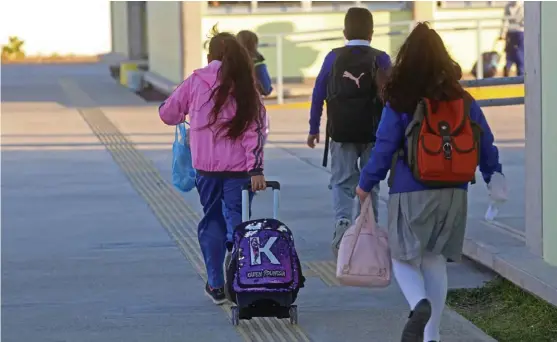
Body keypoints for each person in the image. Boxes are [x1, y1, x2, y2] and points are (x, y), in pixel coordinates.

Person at [356, 22, 502, 342]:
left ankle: (417, 303)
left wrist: (366, 183)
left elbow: (384, 146)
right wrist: (493, 175)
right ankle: (432, 336)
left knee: (401, 255)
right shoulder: (462, 98)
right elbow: (485, 142)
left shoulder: (401, 99)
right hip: (455, 191)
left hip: (412, 189)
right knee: (435, 259)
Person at [159, 31, 268, 305]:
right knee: (238, 219)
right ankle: (240, 271)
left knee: (212, 220)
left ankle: (216, 284)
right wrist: (256, 170)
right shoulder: (245, 87)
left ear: (210, 57)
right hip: (241, 172)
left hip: (206, 171)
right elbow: (255, 131)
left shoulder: (196, 80)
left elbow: (168, 113)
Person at [306, 7, 391, 256]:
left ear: (345, 32)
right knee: (370, 182)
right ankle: (369, 229)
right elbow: (393, 96)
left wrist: (314, 127)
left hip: (341, 132)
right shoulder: (381, 58)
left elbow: (318, 92)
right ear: (372, 33)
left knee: (342, 182)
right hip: (373, 133)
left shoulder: (333, 57)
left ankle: (342, 224)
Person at [237, 30, 273, 97]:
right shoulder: (258, 65)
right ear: (254, 44)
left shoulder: (231, 63)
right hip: (253, 104)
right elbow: (266, 88)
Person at [499, 1, 524, 77]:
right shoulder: (523, 5)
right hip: (519, 32)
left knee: (511, 53)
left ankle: (508, 68)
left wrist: (502, 33)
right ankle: (520, 74)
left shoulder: (508, 6)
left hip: (512, 32)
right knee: (519, 54)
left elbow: (504, 21)